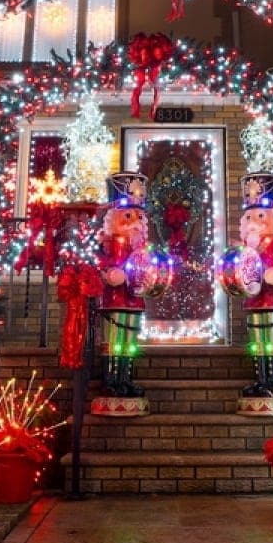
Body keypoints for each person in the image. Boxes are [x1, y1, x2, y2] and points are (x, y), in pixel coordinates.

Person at [92, 172, 168, 416]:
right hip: (114, 298)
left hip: (133, 298)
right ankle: (111, 381)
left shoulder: (140, 247)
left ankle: (125, 379)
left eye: (138, 216)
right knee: (113, 341)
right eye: (128, 216)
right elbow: (99, 263)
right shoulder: (105, 242)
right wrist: (109, 273)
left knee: (129, 342)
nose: (134, 221)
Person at [220, 172, 273, 414]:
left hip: (272, 299)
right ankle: (262, 379)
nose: (253, 222)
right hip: (254, 300)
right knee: (258, 342)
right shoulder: (249, 247)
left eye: (260, 216)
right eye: (250, 216)